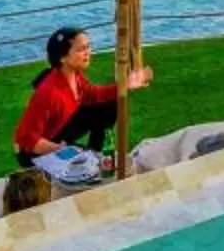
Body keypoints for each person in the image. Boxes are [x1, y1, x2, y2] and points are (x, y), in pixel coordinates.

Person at [15, 25, 150, 167]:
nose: (88, 53)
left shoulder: (74, 74)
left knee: (110, 102)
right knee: (81, 165)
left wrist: (125, 85)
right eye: (81, 49)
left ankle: (95, 152)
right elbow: (27, 139)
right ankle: (87, 158)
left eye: (88, 47)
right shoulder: (49, 93)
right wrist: (61, 150)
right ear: (63, 58)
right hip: (33, 152)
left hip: (59, 130)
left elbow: (93, 95)